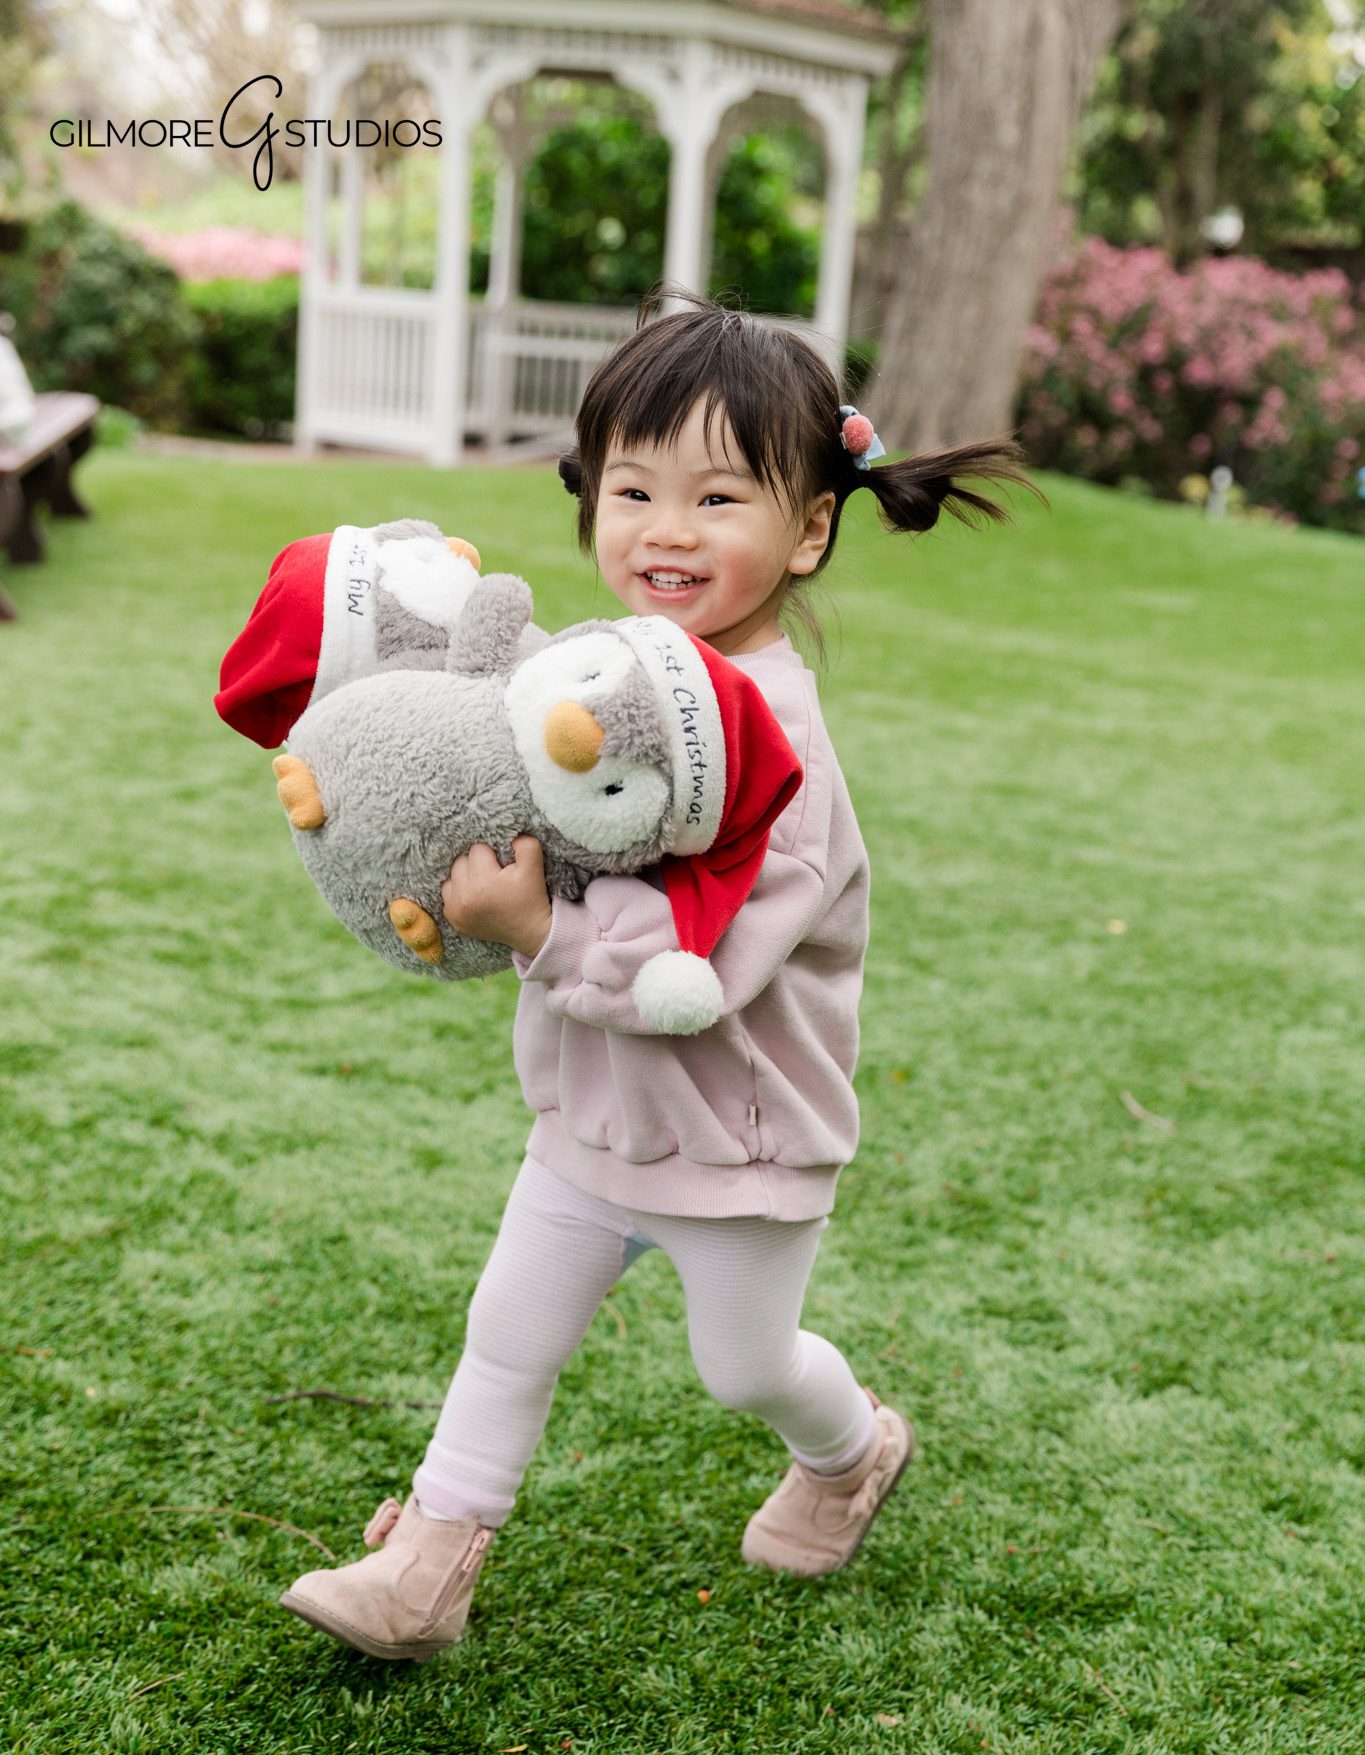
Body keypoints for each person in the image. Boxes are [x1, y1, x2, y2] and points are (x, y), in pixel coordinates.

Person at [280, 288, 1033, 1663]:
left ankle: (851, 1450)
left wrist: (539, 934)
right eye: (632, 488)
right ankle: (427, 1570)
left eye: (717, 498)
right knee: (506, 1330)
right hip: (589, 1118)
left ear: (808, 529)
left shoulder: (774, 746)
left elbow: (711, 962)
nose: (665, 530)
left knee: (741, 1365)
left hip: (736, 1130)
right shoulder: (586, 671)